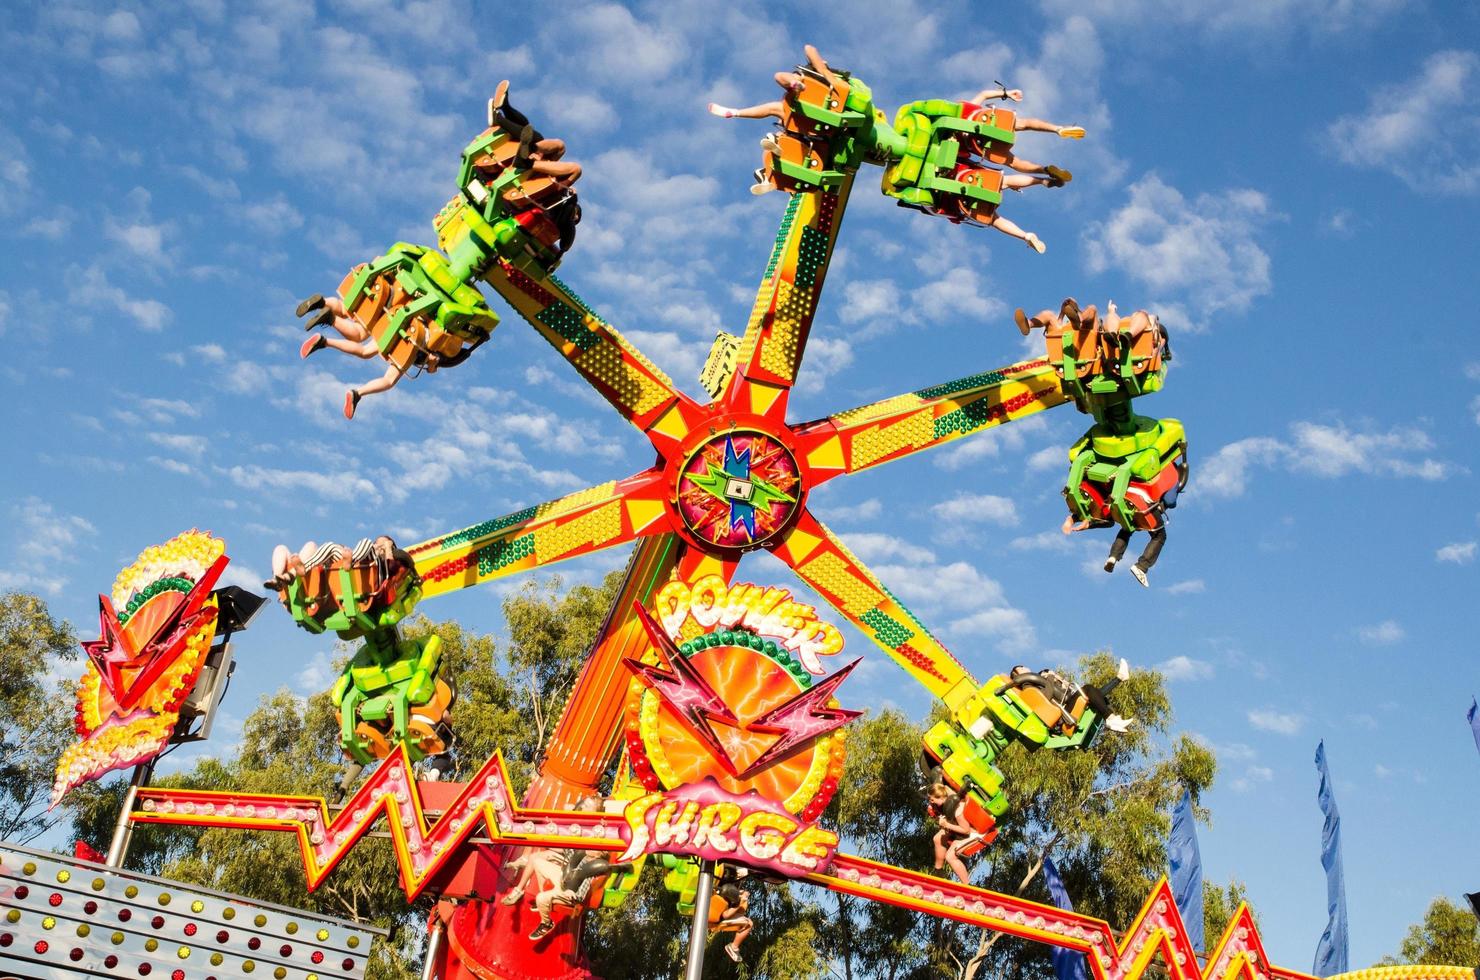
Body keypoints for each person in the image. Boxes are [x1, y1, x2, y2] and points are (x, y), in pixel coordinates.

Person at [296, 293, 442, 419]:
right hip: (412, 336)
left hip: (396, 309)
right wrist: (432, 363)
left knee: (349, 316)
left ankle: (323, 305)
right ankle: (357, 392)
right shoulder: (452, 336)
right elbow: (433, 364)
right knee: (386, 377)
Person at [706, 43, 838, 122]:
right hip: (805, 109)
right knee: (773, 107)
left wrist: (822, 69)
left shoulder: (829, 77)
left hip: (818, 93)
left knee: (780, 76)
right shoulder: (808, 71)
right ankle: (735, 112)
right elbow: (809, 48)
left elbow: (810, 49)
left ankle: (796, 84)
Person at [488, 80, 582, 187]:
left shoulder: (558, 191)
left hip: (532, 177)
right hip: (537, 169)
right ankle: (504, 109)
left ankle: (527, 157)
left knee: (576, 169)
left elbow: (573, 174)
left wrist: (566, 187)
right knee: (558, 145)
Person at [925, 783, 980, 883]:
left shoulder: (957, 809)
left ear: (941, 797)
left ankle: (967, 885)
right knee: (937, 838)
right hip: (960, 832)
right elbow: (944, 786)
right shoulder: (946, 798)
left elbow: (966, 830)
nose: (931, 802)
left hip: (973, 834)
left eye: (932, 800)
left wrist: (947, 825)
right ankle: (938, 872)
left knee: (950, 857)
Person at [709, 865, 754, 962]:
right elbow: (725, 915)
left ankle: (734, 947)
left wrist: (740, 896)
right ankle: (734, 947)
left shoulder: (724, 888)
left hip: (718, 913)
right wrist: (740, 901)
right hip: (716, 918)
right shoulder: (722, 894)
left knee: (745, 916)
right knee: (749, 923)